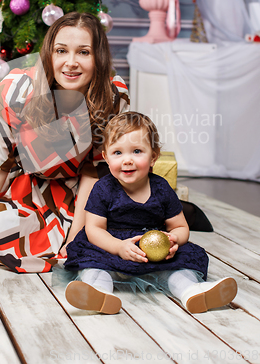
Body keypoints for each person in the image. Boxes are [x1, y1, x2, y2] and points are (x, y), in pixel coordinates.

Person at [0, 12, 130, 272]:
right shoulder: (17, 90)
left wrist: (77, 234)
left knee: (106, 239)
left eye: (83, 52)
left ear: (98, 57)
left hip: (86, 194)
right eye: (61, 51)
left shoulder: (112, 96)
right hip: (31, 188)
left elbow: (95, 171)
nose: (71, 63)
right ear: (48, 55)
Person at [64, 112, 238, 314]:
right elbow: (94, 229)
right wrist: (118, 247)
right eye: (117, 153)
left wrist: (173, 240)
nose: (127, 160)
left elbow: (180, 227)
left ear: (153, 156)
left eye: (137, 151)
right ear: (105, 157)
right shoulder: (103, 188)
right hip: (111, 247)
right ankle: (98, 292)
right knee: (92, 263)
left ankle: (192, 291)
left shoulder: (161, 188)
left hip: (155, 253)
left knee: (183, 262)